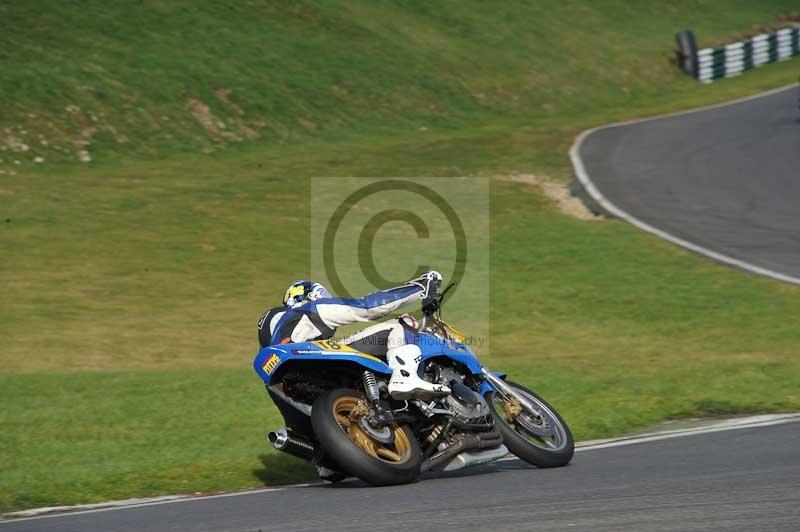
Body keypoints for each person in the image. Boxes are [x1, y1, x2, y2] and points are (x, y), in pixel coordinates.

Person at [257, 271, 450, 400]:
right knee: (401, 323)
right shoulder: (310, 309)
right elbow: (368, 307)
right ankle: (405, 377)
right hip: (310, 363)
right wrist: (420, 288)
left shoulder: (275, 329)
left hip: (291, 386)